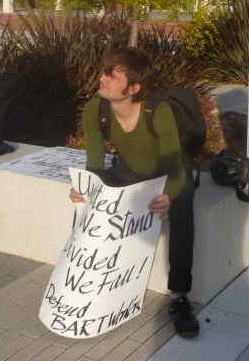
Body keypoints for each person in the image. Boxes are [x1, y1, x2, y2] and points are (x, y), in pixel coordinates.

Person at [69, 47, 200, 337]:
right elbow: (94, 161)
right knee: (89, 204)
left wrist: (168, 195)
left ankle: (179, 297)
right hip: (131, 170)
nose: (101, 78)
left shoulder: (158, 111)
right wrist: (84, 189)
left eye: (111, 76)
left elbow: (176, 168)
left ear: (134, 87)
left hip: (171, 173)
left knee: (181, 214)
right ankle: (87, 281)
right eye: (104, 71)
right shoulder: (96, 108)